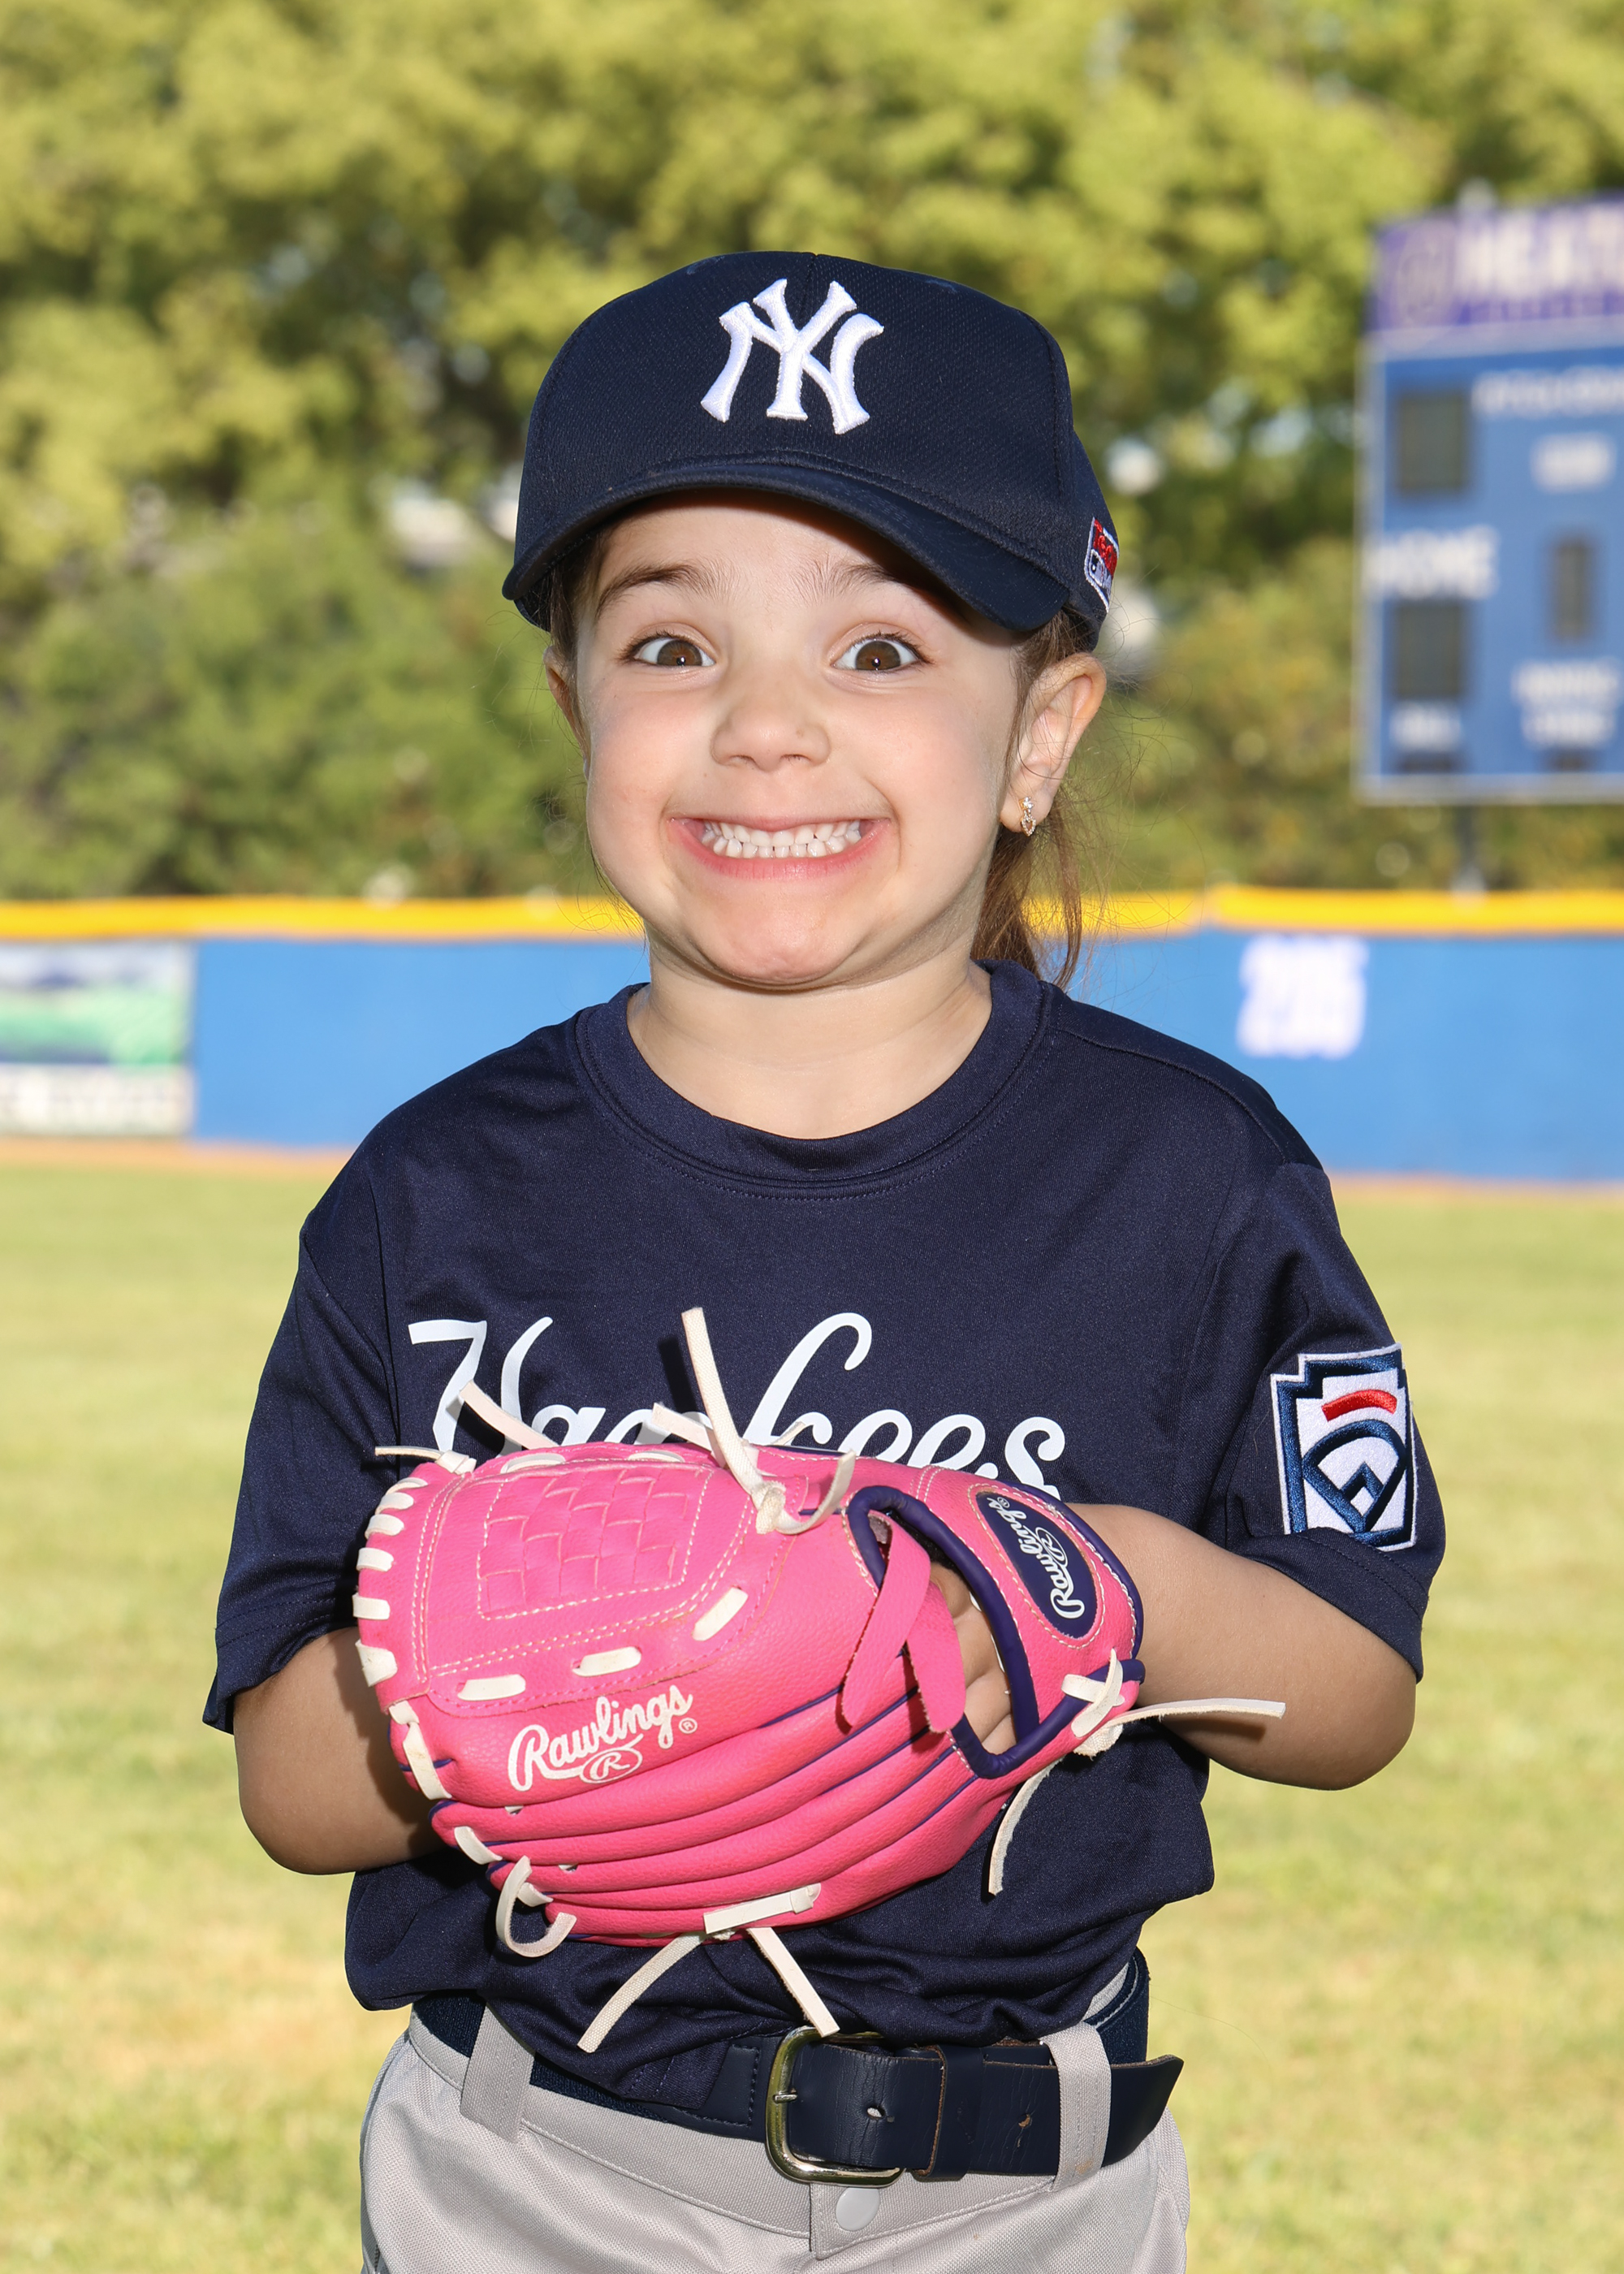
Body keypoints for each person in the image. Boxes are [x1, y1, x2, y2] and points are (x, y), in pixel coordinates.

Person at [211, 253, 1440, 2274]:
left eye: (878, 648)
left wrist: (1103, 1583)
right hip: (539, 2166)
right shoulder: (429, 1195)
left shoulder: (1189, 1172)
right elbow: (290, 1779)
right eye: (671, 641)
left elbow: (1352, 1689)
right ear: (575, 704)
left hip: (1026, 2188)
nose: (767, 727)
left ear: (1039, 734)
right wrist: (540, 1672)